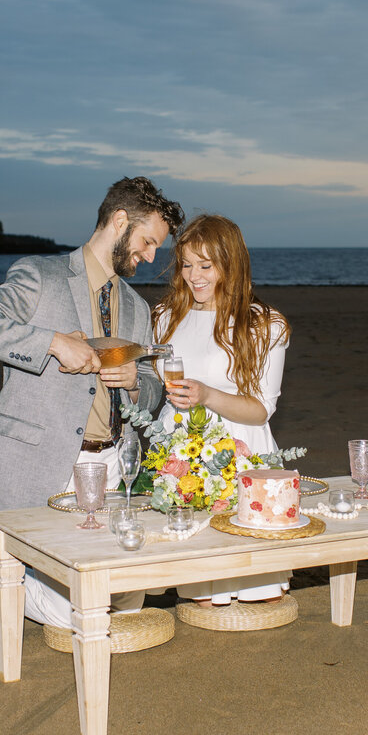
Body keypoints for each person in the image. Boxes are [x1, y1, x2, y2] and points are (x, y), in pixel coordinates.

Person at [0, 176, 184, 624]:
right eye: (148, 242)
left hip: (112, 464)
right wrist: (52, 341)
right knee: (82, 611)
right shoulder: (40, 275)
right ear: (118, 221)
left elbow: (152, 387)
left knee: (127, 597)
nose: (151, 257)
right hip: (48, 460)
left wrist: (135, 380)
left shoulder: (136, 307)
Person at [152, 214, 292, 607]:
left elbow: (261, 410)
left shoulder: (264, 325)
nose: (193, 276)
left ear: (230, 263)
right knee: (199, 593)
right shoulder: (165, 318)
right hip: (179, 454)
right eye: (186, 264)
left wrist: (208, 396)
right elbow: (151, 389)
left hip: (240, 449)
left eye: (206, 265)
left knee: (257, 595)